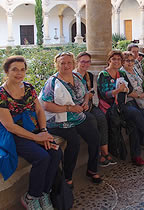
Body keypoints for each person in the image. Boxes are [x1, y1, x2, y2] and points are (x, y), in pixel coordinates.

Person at [0, 56, 61, 209]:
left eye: (22, 69)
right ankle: (31, 197)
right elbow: (9, 126)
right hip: (12, 134)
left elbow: (39, 110)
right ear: (7, 71)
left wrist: (43, 131)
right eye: (14, 69)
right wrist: (37, 138)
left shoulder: (28, 88)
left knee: (55, 152)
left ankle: (43, 193)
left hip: (33, 128)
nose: (19, 73)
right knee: (41, 157)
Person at [41, 52, 102, 187]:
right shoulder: (52, 82)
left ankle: (92, 169)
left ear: (73, 64)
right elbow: (46, 105)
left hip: (77, 116)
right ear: (57, 65)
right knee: (74, 142)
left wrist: (85, 102)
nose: (66, 65)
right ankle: (67, 177)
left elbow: (86, 93)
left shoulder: (77, 76)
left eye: (69, 63)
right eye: (62, 63)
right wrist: (69, 108)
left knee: (95, 137)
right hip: (59, 120)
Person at [97, 50, 144, 166]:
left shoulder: (121, 74)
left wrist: (129, 91)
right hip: (111, 108)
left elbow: (130, 90)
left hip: (122, 105)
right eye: (114, 59)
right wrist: (118, 90)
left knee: (134, 123)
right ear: (109, 60)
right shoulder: (104, 75)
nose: (117, 61)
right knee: (136, 114)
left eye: (119, 59)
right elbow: (104, 94)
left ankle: (136, 156)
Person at [74, 52, 116, 167]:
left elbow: (91, 91)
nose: (85, 64)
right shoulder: (73, 76)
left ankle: (105, 152)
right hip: (79, 108)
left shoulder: (90, 75)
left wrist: (88, 97)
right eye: (83, 61)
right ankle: (97, 154)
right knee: (93, 121)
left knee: (102, 118)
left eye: (88, 61)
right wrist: (86, 98)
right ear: (77, 62)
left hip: (90, 105)